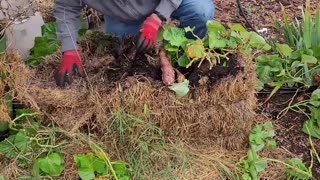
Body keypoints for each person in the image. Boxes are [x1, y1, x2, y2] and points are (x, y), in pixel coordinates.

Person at [54, 0, 215, 87]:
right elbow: (66, 7)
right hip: (122, 14)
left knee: (201, 10)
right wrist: (69, 50)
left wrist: (158, 16)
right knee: (129, 55)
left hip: (158, 2)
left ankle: (186, 59)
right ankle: (163, 58)